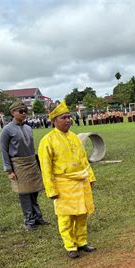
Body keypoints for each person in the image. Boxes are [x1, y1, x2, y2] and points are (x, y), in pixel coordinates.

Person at [38, 101, 97, 259]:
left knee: (82, 214)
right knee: (66, 217)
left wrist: (90, 177)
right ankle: (70, 246)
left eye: (69, 117)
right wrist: (51, 190)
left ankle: (82, 242)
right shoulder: (47, 141)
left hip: (81, 182)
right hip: (63, 184)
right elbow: (46, 168)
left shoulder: (75, 137)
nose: (68, 120)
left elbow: (84, 159)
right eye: (63, 118)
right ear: (54, 121)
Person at [0, 100, 47, 231]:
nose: (24, 113)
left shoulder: (28, 127)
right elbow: (3, 150)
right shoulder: (7, 130)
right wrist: (9, 170)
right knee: (24, 193)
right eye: (21, 111)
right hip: (18, 164)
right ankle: (29, 221)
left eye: (26, 111)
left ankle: (38, 217)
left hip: (31, 162)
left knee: (34, 191)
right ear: (13, 112)